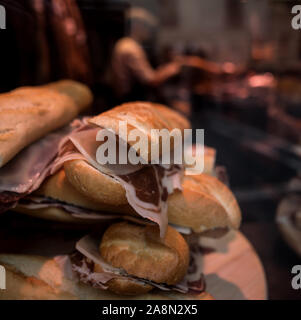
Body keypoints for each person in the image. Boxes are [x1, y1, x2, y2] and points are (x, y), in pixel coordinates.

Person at [111, 7, 181, 102]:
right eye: (146, 26)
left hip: (125, 98)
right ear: (136, 25)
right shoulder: (131, 48)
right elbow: (151, 80)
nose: (149, 31)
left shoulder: (124, 43)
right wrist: (171, 69)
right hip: (130, 100)